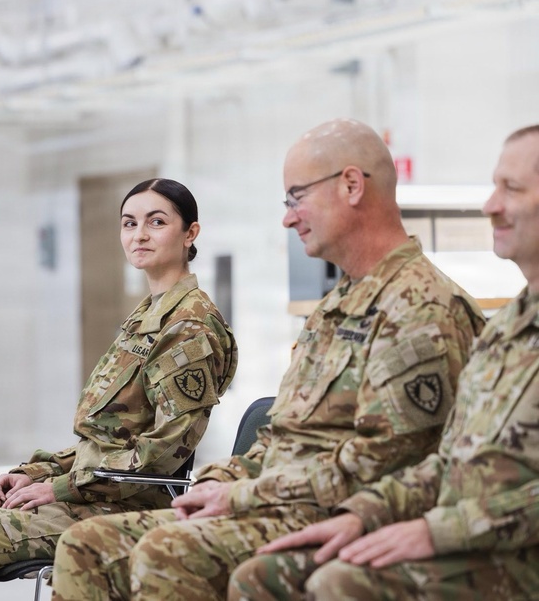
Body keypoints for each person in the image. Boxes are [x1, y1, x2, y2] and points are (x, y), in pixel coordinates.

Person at [49, 118, 486, 601]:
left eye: (296, 197)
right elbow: (283, 432)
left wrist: (241, 494)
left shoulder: (420, 308)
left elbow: (387, 462)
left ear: (351, 186)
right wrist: (219, 480)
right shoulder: (337, 304)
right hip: (277, 498)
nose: (288, 217)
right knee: (87, 544)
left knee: (166, 552)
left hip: (333, 512)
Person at [0, 178, 239, 600]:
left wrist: (58, 488)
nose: (139, 235)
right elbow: (106, 441)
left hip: (123, 505)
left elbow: (160, 456)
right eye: (129, 223)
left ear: (190, 233)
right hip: (89, 491)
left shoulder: (188, 326)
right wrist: (37, 471)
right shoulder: (148, 315)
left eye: (156, 222)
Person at [229, 125, 539, 601]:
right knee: (266, 576)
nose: (489, 205)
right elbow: (449, 463)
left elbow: (392, 453)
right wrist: (365, 515)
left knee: (338, 584)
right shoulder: (509, 327)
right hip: (466, 534)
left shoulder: (427, 306)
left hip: (508, 551)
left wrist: (438, 531)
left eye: (511, 189)